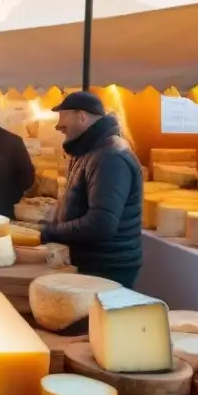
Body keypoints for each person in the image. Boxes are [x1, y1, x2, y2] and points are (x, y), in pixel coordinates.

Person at [39, 91, 143, 287]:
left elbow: (101, 224)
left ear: (82, 116)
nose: (58, 126)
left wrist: (51, 231)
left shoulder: (110, 157)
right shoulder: (89, 150)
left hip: (107, 266)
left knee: (96, 318)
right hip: (93, 260)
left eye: (63, 117)